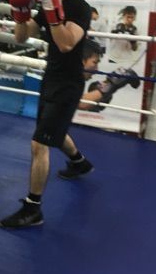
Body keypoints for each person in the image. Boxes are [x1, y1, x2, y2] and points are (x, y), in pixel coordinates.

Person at [0, 0, 92, 229]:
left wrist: (52, 10)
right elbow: (20, 37)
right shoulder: (44, 4)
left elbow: (66, 43)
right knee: (51, 131)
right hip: (51, 77)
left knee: (40, 142)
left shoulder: (79, 8)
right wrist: (20, 11)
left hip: (69, 83)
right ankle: (79, 162)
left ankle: (33, 208)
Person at [58, 39, 140, 178]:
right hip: (46, 104)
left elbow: (84, 103)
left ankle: (79, 163)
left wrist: (109, 85)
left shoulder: (74, 75)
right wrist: (112, 84)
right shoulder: (64, 75)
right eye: (94, 62)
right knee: (43, 138)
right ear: (81, 61)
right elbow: (82, 103)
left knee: (53, 129)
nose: (96, 69)